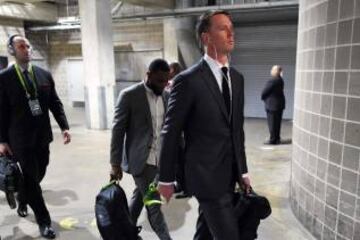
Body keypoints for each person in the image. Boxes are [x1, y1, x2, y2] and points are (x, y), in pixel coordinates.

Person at [157, 10, 251, 240]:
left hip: (229, 173)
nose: (231, 32)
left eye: (231, 28)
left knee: (206, 232)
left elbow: (236, 131)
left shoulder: (237, 79)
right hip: (204, 175)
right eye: (222, 28)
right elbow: (170, 132)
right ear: (206, 38)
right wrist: (166, 178)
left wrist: (243, 170)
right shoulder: (188, 81)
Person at [0, 35, 71, 239]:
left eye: (28, 46)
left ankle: (23, 197)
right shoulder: (4, 78)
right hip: (19, 140)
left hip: (42, 137)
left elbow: (54, 103)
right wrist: (2, 140)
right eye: (21, 46)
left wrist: (64, 126)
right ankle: (44, 222)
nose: (27, 49)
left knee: (39, 173)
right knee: (32, 179)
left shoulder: (43, 75)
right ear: (12, 51)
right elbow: (1, 111)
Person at [110, 59, 172, 240]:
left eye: (166, 80)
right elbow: (118, 130)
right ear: (148, 75)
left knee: (139, 197)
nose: (164, 85)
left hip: (160, 160)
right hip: (141, 160)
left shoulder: (167, 95)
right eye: (160, 80)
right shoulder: (129, 95)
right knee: (153, 205)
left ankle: (124, 232)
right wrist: (115, 163)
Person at [261, 65, 285, 145]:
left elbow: (264, 92)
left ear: (276, 71)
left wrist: (263, 98)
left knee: (272, 123)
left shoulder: (272, 80)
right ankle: (277, 138)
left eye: (272, 69)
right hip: (279, 105)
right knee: (277, 123)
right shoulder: (280, 80)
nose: (271, 71)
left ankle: (272, 140)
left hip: (272, 105)